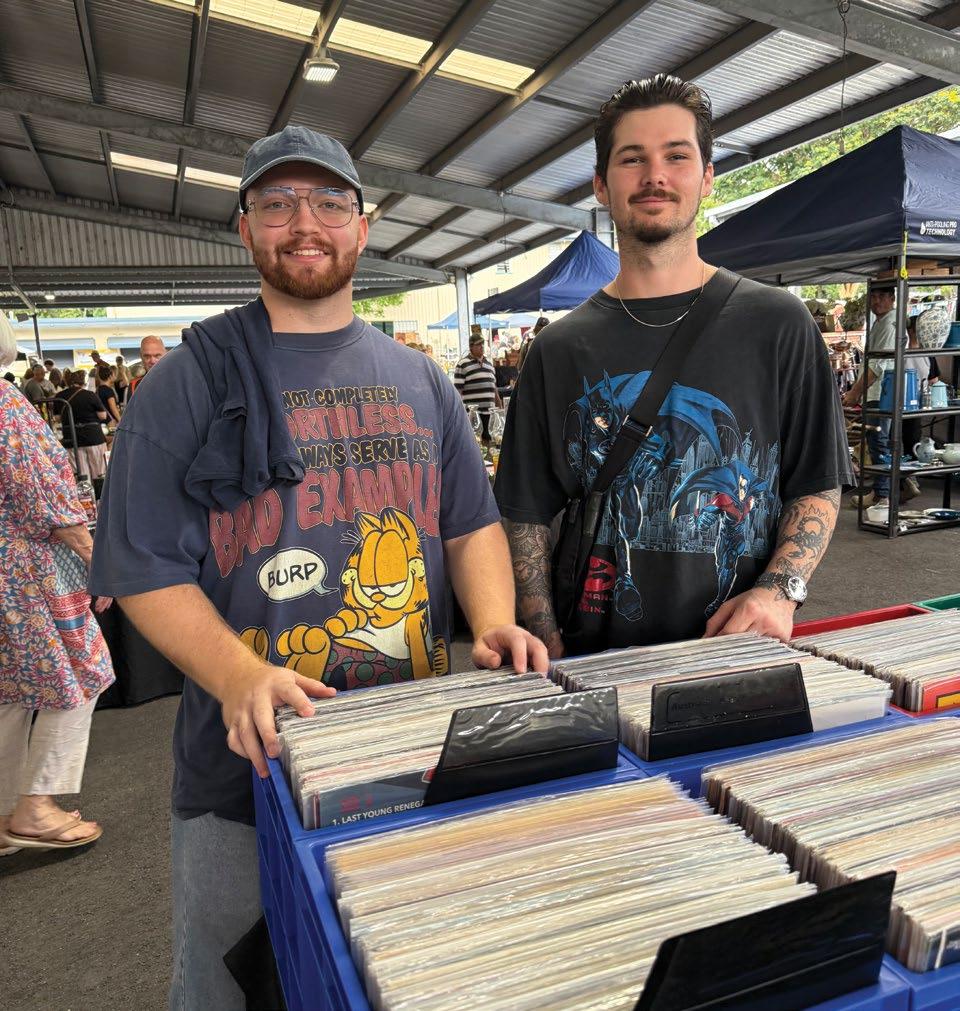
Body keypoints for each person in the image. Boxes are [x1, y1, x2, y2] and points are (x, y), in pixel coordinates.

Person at [88, 124, 548, 1008]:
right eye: (278, 203)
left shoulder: (423, 380)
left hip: (409, 752)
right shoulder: (185, 382)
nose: (305, 222)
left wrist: (494, 620)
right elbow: (144, 567)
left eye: (330, 202)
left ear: (363, 227)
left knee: (395, 978)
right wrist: (239, 674)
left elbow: (469, 526)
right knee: (229, 987)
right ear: (245, 227)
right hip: (247, 777)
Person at [496, 74, 852, 658]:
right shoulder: (558, 348)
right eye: (632, 158)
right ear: (602, 185)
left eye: (676, 156)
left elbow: (816, 481)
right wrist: (543, 633)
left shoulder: (778, 323)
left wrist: (779, 592)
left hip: (739, 647)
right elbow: (525, 512)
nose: (654, 175)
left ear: (706, 178)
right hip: (594, 654)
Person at [0, 314, 114, 854]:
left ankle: (6, 808)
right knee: (81, 674)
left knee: (11, 693)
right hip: (29, 572)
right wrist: (99, 562)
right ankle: (36, 806)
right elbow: (47, 500)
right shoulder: (6, 406)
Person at [842, 287, 904, 508]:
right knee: (884, 442)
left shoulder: (889, 324)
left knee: (879, 443)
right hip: (878, 392)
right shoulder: (882, 322)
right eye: (873, 297)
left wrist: (855, 392)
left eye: (882, 297)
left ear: (892, 299)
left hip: (881, 392)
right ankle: (900, 486)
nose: (876, 301)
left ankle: (882, 495)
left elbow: (877, 367)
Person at [60, 370, 110, 480]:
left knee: (82, 475)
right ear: (83, 381)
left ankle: (85, 490)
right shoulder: (90, 395)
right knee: (100, 473)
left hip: (72, 438)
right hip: (93, 437)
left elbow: (57, 418)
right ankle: (100, 490)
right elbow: (103, 416)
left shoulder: (60, 396)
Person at [454, 334, 501, 441]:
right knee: (475, 442)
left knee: (491, 442)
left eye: (482, 344)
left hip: (490, 413)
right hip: (473, 415)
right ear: (471, 347)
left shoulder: (489, 364)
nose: (482, 346)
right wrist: (458, 414)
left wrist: (499, 408)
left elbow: (494, 389)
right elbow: (457, 392)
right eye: (478, 344)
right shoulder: (463, 364)